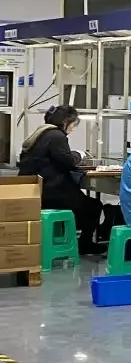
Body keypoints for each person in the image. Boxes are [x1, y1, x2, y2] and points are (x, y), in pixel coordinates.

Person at [17, 105, 117, 254]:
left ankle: (67, 237)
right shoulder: (56, 136)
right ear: (65, 122)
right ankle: (85, 243)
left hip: (36, 191)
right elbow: (68, 160)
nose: (72, 128)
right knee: (93, 206)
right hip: (52, 193)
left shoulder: (40, 134)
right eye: (73, 124)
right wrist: (79, 154)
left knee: (86, 202)